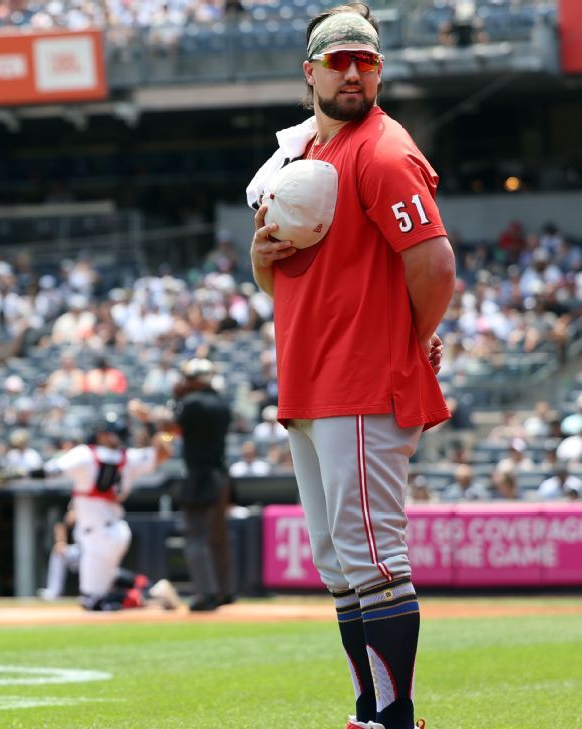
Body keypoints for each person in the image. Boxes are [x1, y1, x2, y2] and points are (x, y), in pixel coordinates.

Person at [245, 5, 454, 728]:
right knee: (341, 568)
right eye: (339, 62)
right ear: (310, 72)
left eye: (365, 61)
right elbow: (287, 280)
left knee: (374, 560)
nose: (354, 73)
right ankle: (370, 712)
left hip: (361, 381)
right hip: (310, 380)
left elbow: (435, 264)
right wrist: (258, 260)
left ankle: (395, 719)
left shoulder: (382, 151)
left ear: (380, 69)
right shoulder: (304, 154)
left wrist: (411, 337)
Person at [0, 413, 181, 612]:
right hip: (114, 529)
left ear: (106, 435)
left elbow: (49, 471)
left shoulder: (86, 454)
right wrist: (152, 425)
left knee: (92, 601)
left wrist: (15, 474)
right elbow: (164, 452)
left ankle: (148, 598)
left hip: (97, 531)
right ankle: (152, 588)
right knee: (108, 577)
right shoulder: (130, 457)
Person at [170, 358, 236, 611]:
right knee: (218, 537)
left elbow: (172, 429)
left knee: (196, 534)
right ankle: (225, 591)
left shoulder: (192, 403)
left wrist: (166, 412)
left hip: (200, 476)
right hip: (221, 475)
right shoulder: (221, 403)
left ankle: (205, 593)